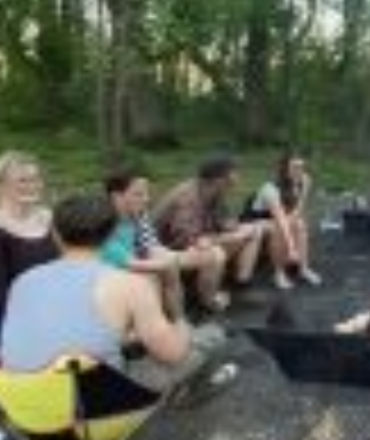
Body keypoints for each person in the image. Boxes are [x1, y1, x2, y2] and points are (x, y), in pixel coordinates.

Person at [1, 192, 233, 397]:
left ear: (55, 234)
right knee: (211, 335)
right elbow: (173, 354)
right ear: (112, 234)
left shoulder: (23, 281)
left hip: (20, 404)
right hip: (88, 414)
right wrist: (180, 320)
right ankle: (185, 400)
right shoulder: (129, 284)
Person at [102, 168, 227, 319]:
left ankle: (204, 305)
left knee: (214, 254)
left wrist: (191, 254)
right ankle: (167, 325)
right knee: (161, 273)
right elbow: (121, 262)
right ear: (117, 196)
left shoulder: (138, 215)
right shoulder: (102, 223)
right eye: (138, 194)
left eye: (147, 193)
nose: (147, 199)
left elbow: (152, 247)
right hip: (109, 275)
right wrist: (172, 260)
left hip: (133, 263)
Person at [153, 154, 265, 300]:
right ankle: (206, 299)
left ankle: (242, 284)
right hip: (168, 251)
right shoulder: (188, 197)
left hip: (198, 241)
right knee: (216, 251)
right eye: (234, 173)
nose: (237, 178)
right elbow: (185, 240)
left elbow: (224, 222)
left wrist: (234, 227)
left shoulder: (215, 192)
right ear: (219, 179)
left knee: (254, 230)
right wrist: (225, 237)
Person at [243, 152, 322, 289]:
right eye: (295, 168)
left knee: (300, 224)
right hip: (257, 221)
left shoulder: (301, 183)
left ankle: (303, 268)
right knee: (279, 227)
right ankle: (278, 272)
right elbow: (280, 219)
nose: (299, 171)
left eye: (302, 167)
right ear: (284, 169)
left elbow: (297, 212)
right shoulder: (270, 188)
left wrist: (305, 190)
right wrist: (291, 247)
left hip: (281, 219)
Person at [0, 151, 59, 326]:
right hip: (14, 322)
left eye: (35, 179)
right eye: (22, 181)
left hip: (54, 313)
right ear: (2, 186)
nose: (32, 185)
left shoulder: (51, 218)